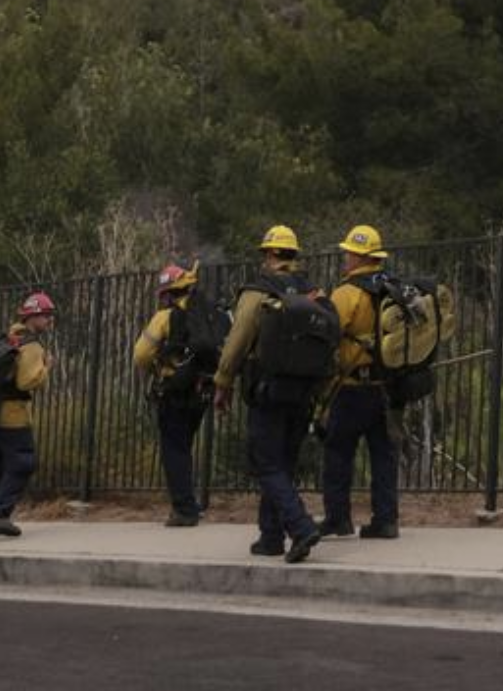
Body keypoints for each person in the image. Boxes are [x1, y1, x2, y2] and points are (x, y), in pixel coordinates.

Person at [212, 224, 324, 564]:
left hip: (268, 389)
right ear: (293, 255)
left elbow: (236, 342)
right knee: (282, 464)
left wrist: (223, 382)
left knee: (266, 463)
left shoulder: (259, 291)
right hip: (304, 390)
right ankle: (270, 536)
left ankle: (300, 527)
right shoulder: (313, 291)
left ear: (270, 254)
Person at [319, 224, 400, 540]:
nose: (345, 259)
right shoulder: (392, 288)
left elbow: (328, 334)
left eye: (348, 253)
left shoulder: (346, 293)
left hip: (352, 388)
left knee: (338, 453)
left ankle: (338, 519)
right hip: (386, 387)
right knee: (384, 455)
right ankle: (386, 520)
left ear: (357, 256)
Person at [132, 263, 211, 527]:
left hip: (175, 392)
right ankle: (192, 502)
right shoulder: (207, 315)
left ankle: (184, 510)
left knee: (174, 450)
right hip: (202, 391)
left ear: (168, 293)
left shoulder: (165, 317)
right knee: (185, 447)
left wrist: (157, 366)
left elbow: (141, 355)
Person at [0, 291, 55, 538]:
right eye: (46, 316)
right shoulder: (30, 344)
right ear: (33, 317)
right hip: (13, 416)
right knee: (23, 463)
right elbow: (26, 381)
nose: (50, 321)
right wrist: (46, 368)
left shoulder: (8, 338)